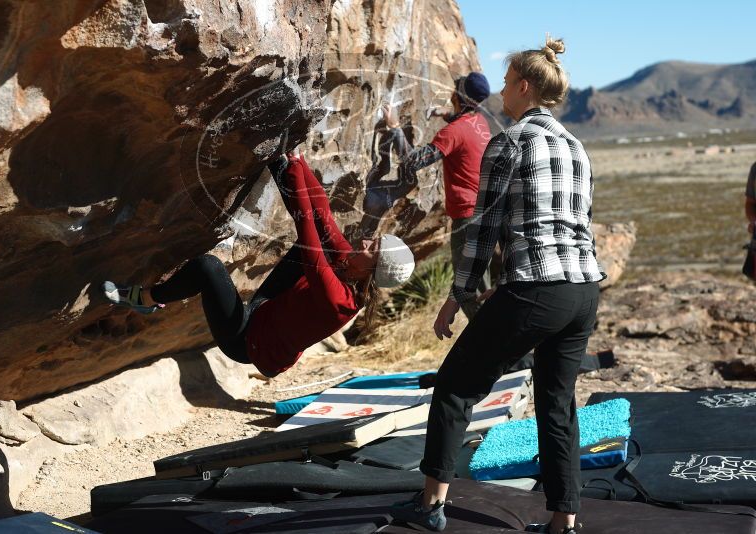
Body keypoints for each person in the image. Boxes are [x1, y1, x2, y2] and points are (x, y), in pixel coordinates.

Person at [390, 37, 605, 534]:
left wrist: (457, 296)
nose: (502, 92)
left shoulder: (507, 143)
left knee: (455, 386)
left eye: (507, 83)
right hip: (583, 290)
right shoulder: (577, 147)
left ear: (524, 87)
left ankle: (429, 506)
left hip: (537, 287)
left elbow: (483, 231)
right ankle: (563, 522)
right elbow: (580, 221)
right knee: (557, 404)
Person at [103, 152, 415, 378]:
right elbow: (322, 215)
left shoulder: (339, 302)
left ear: (370, 272)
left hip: (246, 342)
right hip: (267, 310)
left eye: (372, 248)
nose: (364, 242)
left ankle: (145, 299)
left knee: (208, 268)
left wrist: (294, 174)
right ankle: (276, 158)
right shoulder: (351, 264)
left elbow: (307, 228)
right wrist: (296, 162)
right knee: (317, 236)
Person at [375, 72, 494, 319]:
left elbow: (413, 162)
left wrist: (395, 127)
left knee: (468, 288)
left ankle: (490, 347)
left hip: (468, 218)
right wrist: (446, 114)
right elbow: (462, 132)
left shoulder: (454, 131)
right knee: (480, 282)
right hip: (485, 215)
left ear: (457, 95)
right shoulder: (479, 122)